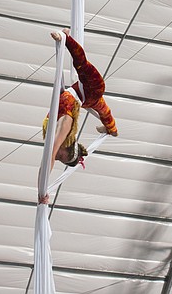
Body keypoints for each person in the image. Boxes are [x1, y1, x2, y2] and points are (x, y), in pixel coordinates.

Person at [39, 29, 118, 203]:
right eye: (61, 157)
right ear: (67, 147)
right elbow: (50, 156)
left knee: (105, 113)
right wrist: (42, 191)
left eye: (59, 159)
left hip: (79, 96)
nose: (57, 156)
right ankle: (66, 37)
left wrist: (111, 128)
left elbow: (105, 112)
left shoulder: (58, 130)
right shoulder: (65, 127)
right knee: (81, 65)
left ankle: (111, 129)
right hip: (87, 91)